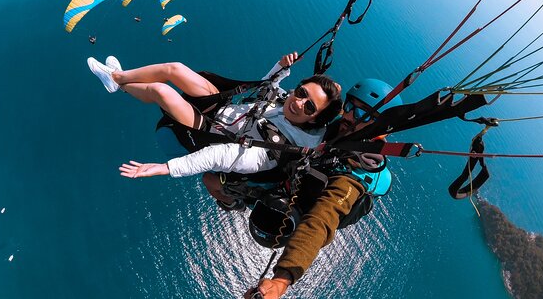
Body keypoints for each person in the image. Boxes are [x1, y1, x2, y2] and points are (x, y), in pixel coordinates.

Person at [91, 53, 342, 203]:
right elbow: (265, 88)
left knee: (161, 91)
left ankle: (116, 82)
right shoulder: (286, 104)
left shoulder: (273, 151)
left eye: (309, 107)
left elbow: (220, 155)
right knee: (175, 69)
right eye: (300, 93)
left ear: (313, 120)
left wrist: (166, 169)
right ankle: (118, 76)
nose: (298, 102)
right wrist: (281, 66)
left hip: (209, 133)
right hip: (222, 108)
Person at [243, 78, 403, 299]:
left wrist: (282, 279)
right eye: (349, 106)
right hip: (300, 182)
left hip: (308, 203)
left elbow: (321, 220)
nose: (349, 116)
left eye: (363, 115)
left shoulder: (353, 175)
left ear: (382, 127)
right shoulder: (337, 128)